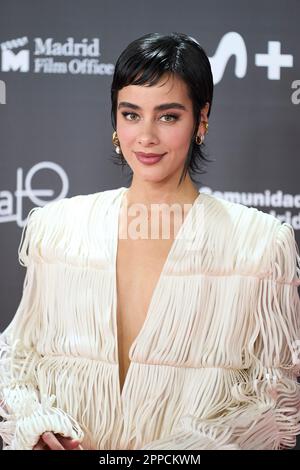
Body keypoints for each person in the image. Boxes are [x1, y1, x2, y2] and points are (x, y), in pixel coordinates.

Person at [0, 32, 300, 451]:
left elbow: (274, 400)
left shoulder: (260, 245)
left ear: (202, 119)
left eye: (168, 116)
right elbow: (20, 359)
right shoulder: (57, 229)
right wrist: (40, 427)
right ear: (115, 119)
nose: (145, 137)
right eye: (131, 114)